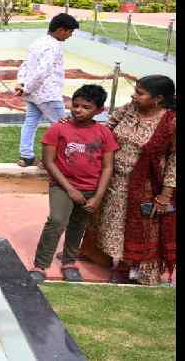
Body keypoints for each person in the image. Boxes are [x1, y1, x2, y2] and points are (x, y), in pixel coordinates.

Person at [29, 85, 117, 284]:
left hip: (91, 188)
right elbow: (49, 162)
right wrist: (70, 189)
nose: (78, 110)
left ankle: (69, 262)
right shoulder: (58, 128)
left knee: (78, 225)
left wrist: (97, 197)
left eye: (86, 107)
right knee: (57, 221)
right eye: (75, 105)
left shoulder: (104, 133)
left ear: (99, 110)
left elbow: (107, 167)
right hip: (62, 186)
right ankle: (40, 265)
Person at [94, 75, 176, 285]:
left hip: (148, 186)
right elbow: (106, 128)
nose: (134, 95)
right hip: (115, 180)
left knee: (144, 229)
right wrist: (78, 126)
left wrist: (165, 194)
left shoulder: (170, 121)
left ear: (157, 99)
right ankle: (119, 263)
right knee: (114, 224)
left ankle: (137, 271)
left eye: (140, 93)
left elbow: (174, 159)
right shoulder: (129, 109)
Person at [15, 13, 80, 167]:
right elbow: (43, 71)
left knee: (30, 122)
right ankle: (57, 160)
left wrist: (22, 84)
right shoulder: (53, 46)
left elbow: (25, 65)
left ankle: (26, 156)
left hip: (33, 93)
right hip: (48, 94)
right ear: (61, 30)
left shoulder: (38, 42)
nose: (70, 36)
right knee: (63, 126)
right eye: (70, 32)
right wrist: (27, 88)